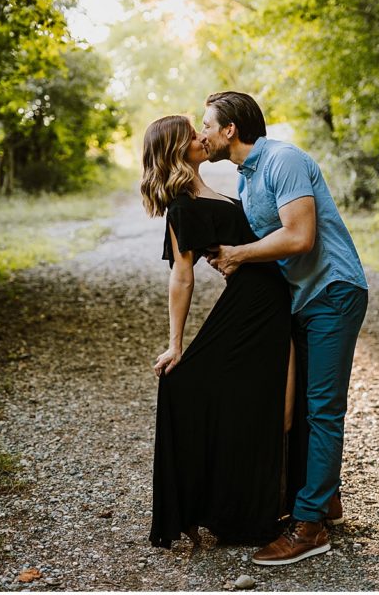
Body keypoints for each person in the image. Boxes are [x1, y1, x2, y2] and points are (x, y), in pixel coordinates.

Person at [198, 91, 369, 567]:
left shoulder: (284, 160)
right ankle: (325, 500)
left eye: (206, 124)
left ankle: (310, 526)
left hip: (333, 291)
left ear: (230, 129)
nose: (202, 133)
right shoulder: (249, 179)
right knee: (301, 408)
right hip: (302, 299)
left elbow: (300, 236)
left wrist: (238, 254)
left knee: (323, 409)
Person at [140, 115, 294, 549]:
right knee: (191, 385)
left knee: (257, 403)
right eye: (190, 134)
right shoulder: (183, 206)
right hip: (251, 305)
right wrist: (175, 344)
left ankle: (252, 505)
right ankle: (199, 507)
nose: (200, 137)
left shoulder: (215, 191)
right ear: (174, 149)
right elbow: (182, 276)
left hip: (264, 300)